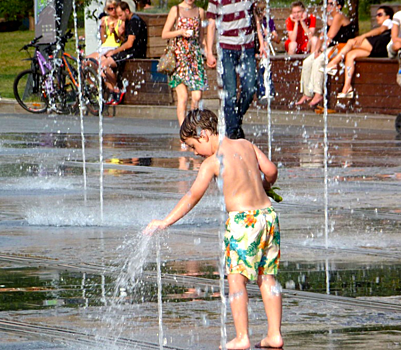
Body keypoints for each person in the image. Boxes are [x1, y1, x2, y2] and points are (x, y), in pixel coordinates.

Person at [144, 109, 283, 350]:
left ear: (204, 134)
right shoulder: (246, 144)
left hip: (243, 223)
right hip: (268, 217)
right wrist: (264, 186)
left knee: (236, 281)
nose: (195, 153)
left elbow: (192, 196)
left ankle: (242, 337)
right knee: (267, 276)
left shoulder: (213, 162)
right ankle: (274, 334)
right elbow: (271, 170)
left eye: (193, 146)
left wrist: (165, 222)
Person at [206, 0, 264, 140]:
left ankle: (234, 122)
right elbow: (211, 23)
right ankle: (233, 132)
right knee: (230, 92)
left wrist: (262, 43)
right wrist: (209, 51)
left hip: (247, 48)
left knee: (250, 88)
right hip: (226, 49)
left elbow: (256, 19)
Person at [323, 5, 394, 99]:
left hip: (381, 45)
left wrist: (363, 36)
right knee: (350, 55)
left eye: (380, 14)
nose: (377, 17)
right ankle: (347, 87)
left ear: (388, 16)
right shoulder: (386, 24)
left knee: (351, 42)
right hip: (378, 49)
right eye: (376, 15)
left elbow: (381, 30)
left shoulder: (389, 22)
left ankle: (333, 63)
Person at [295, 0, 354, 107]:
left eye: (331, 3)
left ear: (339, 6)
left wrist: (321, 51)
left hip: (342, 47)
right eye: (327, 3)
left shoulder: (339, 16)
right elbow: (322, 36)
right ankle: (307, 93)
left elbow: (330, 36)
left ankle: (318, 93)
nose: (327, 6)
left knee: (318, 62)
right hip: (331, 48)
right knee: (307, 62)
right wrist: (316, 50)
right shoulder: (328, 17)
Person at [161, 0, 207, 127]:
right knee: (183, 97)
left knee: (197, 97)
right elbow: (164, 34)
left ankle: (191, 125)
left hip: (194, 58)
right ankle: (184, 131)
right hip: (179, 58)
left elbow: (201, 38)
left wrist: (208, 54)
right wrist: (180, 32)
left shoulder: (200, 12)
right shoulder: (175, 10)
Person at [100, 1, 147, 105]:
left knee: (104, 65)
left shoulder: (135, 21)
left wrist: (114, 51)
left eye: (120, 15)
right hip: (127, 51)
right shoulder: (129, 21)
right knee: (101, 62)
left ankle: (117, 90)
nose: (120, 18)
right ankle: (114, 90)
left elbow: (129, 44)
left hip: (134, 52)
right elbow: (124, 41)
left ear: (127, 11)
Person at [253, 1, 280, 104]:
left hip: (264, 51)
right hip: (253, 48)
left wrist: (269, 35)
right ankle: (263, 92)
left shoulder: (267, 22)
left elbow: (277, 39)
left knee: (264, 64)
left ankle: (266, 92)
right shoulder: (251, 21)